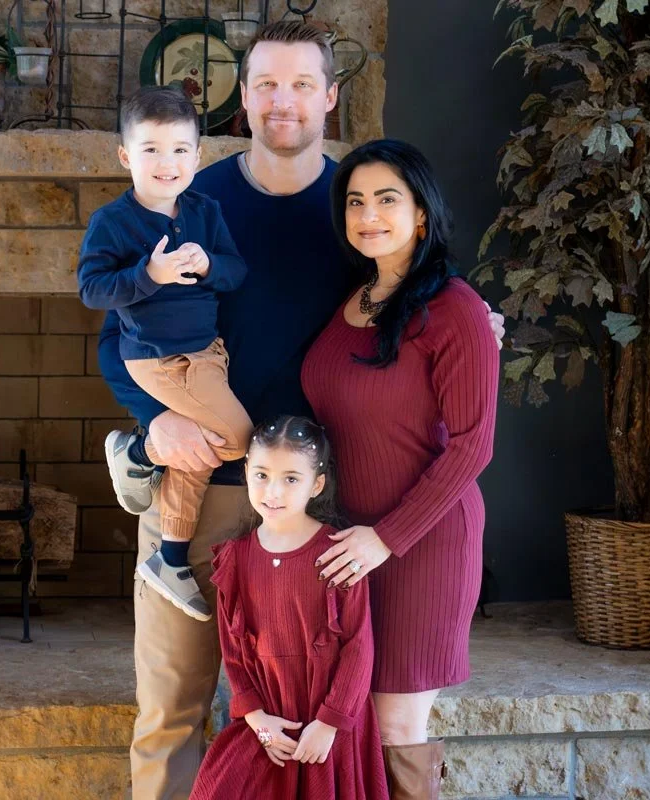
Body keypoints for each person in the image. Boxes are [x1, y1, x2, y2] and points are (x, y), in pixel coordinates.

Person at [96, 20, 505, 800]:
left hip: (325, 509)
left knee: (321, 721)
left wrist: (474, 313)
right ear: (243, 99)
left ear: (331, 97)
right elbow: (119, 338)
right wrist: (155, 423)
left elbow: (415, 294)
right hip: (204, 490)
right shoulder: (189, 198)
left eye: (302, 85)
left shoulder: (353, 210)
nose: (284, 103)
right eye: (267, 86)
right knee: (172, 709)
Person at [303, 139, 500, 799]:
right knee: (349, 715)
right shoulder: (350, 299)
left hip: (420, 546)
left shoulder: (457, 311)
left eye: (388, 199)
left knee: (396, 723)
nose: (370, 215)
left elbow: (472, 447)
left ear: (422, 213)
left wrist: (385, 538)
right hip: (348, 546)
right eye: (356, 201)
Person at [77, 86, 251, 622]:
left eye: (179, 149)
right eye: (151, 149)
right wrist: (148, 275)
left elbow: (236, 273)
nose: (167, 162)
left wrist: (207, 265)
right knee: (239, 439)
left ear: (198, 156)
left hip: (206, 354)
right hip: (161, 360)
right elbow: (92, 289)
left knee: (195, 455)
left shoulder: (205, 211)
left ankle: (171, 557)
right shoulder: (114, 222)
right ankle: (138, 454)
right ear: (126, 157)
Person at [189, 415, 389, 800]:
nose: (273, 491)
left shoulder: (340, 554)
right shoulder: (237, 558)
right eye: (261, 474)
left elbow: (359, 648)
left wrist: (329, 724)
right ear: (246, 471)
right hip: (269, 722)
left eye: (291, 479)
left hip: (328, 724)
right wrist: (257, 720)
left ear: (317, 484)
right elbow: (233, 653)